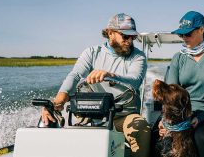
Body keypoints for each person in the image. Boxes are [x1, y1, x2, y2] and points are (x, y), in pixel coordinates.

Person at [41, 13, 151, 157]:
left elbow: (135, 80)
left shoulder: (138, 56)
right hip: (92, 116)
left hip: (123, 117)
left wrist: (110, 75)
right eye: (125, 36)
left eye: (133, 37)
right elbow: (75, 76)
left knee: (141, 127)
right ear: (110, 33)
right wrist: (59, 101)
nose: (129, 41)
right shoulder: (91, 53)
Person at [162, 11, 204, 157]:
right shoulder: (178, 58)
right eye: (182, 35)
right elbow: (171, 94)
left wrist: (201, 118)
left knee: (202, 137)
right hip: (184, 113)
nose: (184, 38)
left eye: (188, 34)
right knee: (159, 135)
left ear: (201, 30)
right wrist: (166, 120)